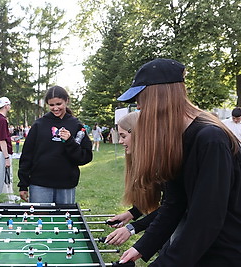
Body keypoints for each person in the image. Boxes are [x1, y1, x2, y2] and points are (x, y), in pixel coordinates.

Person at [117, 58, 241, 266]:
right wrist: (142, 247)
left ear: (160, 97)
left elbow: (207, 220)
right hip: (200, 250)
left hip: (224, 253)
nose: (138, 107)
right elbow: (174, 203)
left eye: (141, 99)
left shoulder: (210, 138)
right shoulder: (179, 139)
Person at [18, 85, 93, 204]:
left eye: (59, 104)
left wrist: (70, 142)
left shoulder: (76, 125)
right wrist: (23, 184)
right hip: (39, 184)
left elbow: (85, 157)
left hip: (66, 185)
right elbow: (27, 155)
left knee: (64, 220)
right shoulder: (39, 125)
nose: (55, 108)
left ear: (66, 101)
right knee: (40, 220)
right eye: (51, 105)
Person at [105, 112, 162, 246]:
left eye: (123, 136)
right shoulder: (144, 161)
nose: (120, 141)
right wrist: (132, 213)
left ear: (138, 134)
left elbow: (170, 208)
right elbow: (152, 197)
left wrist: (132, 228)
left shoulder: (160, 163)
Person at [0, 96, 15, 202]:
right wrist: (6, 157)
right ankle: (5, 199)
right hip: (3, 152)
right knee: (5, 177)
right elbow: (2, 140)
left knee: (6, 176)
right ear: (6, 106)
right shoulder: (2, 120)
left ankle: (9, 197)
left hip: (1, 151)